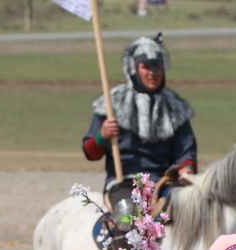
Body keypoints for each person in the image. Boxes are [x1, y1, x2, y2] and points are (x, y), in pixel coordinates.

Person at [82, 33, 197, 226]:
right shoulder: (112, 103)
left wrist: (187, 169)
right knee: (128, 219)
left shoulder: (175, 107)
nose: (153, 72)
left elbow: (186, 151)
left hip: (165, 183)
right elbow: (90, 152)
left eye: (157, 66)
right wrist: (102, 136)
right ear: (133, 69)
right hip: (123, 182)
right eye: (146, 67)